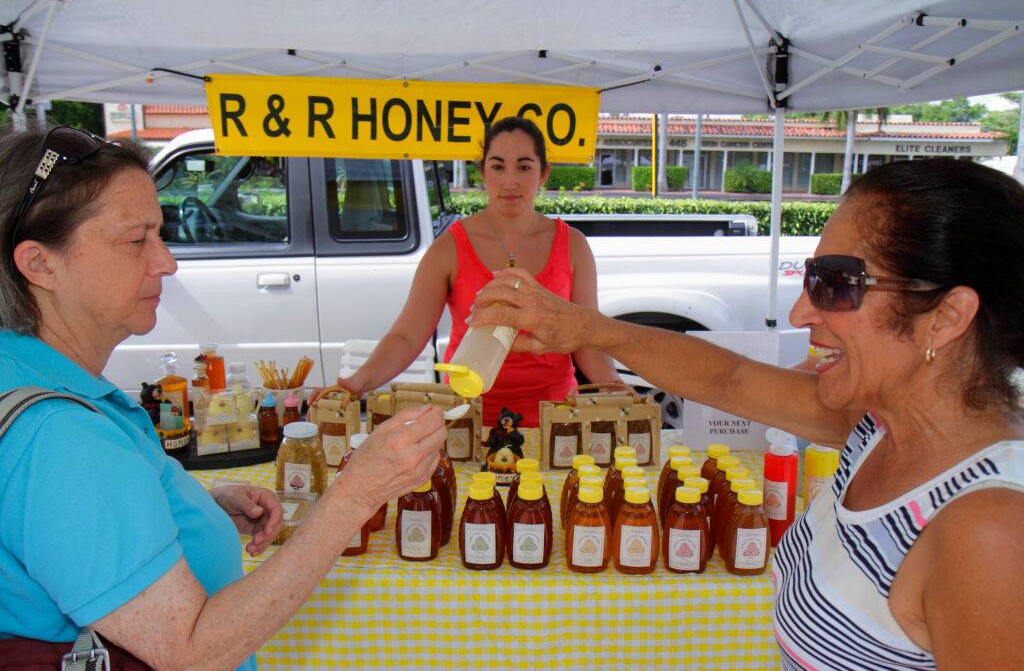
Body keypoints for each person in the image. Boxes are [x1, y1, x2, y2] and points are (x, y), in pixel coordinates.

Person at [470, 158, 1024, 669]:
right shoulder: (878, 428)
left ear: (947, 316)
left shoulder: (990, 531)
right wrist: (583, 328)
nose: (801, 310)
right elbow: (729, 380)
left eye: (835, 284)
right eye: (810, 279)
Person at [0, 126, 445, 669]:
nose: (166, 262)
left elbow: (60, 529)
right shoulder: (58, 436)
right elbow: (189, 651)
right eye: (135, 240)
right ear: (40, 263)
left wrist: (184, 509)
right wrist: (357, 494)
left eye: (160, 234)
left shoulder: (23, 373)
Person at [330, 116, 619, 426]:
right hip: (466, 419)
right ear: (482, 172)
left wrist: (615, 388)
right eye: (497, 166)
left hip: (556, 420)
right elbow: (406, 336)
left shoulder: (573, 245)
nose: (510, 181)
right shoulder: (449, 248)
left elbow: (587, 336)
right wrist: (359, 382)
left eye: (524, 166)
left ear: (543, 173)